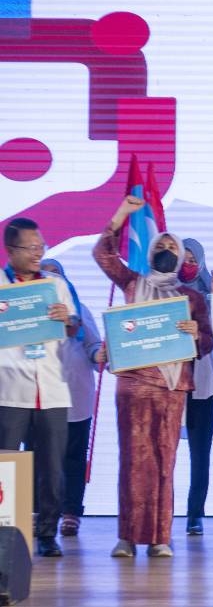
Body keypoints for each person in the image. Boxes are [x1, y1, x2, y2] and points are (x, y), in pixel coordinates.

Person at [93, 197, 213, 558]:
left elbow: (206, 342)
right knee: (132, 460)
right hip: (133, 383)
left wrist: (195, 332)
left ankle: (161, 536)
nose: (165, 249)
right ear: (149, 252)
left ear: (181, 258)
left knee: (165, 459)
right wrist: (121, 215)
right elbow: (102, 256)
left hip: (172, 386)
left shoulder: (191, 298)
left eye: (171, 247)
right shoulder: (132, 282)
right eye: (160, 245)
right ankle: (127, 538)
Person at [1, 218, 78, 557]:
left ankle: (47, 533)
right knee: (6, 466)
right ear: (11, 250)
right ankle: (6, 533)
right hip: (9, 388)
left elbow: (75, 327)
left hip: (51, 387)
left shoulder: (56, 284)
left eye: (40, 247)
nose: (37, 254)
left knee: (52, 467)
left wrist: (66, 318)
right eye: (30, 248)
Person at [38, 260, 103, 539]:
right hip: (38, 395)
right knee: (41, 459)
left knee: (74, 458)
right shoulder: (27, 314)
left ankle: (71, 513)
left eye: (56, 276)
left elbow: (93, 344)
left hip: (76, 395)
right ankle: (40, 513)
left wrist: (99, 354)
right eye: (46, 276)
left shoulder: (79, 309)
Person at [178, 238, 213, 536]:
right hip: (169, 385)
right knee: (163, 454)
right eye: (181, 258)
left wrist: (211, 295)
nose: (187, 264)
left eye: (191, 259)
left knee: (200, 456)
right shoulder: (162, 291)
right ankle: (160, 513)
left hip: (201, 384)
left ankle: (195, 514)